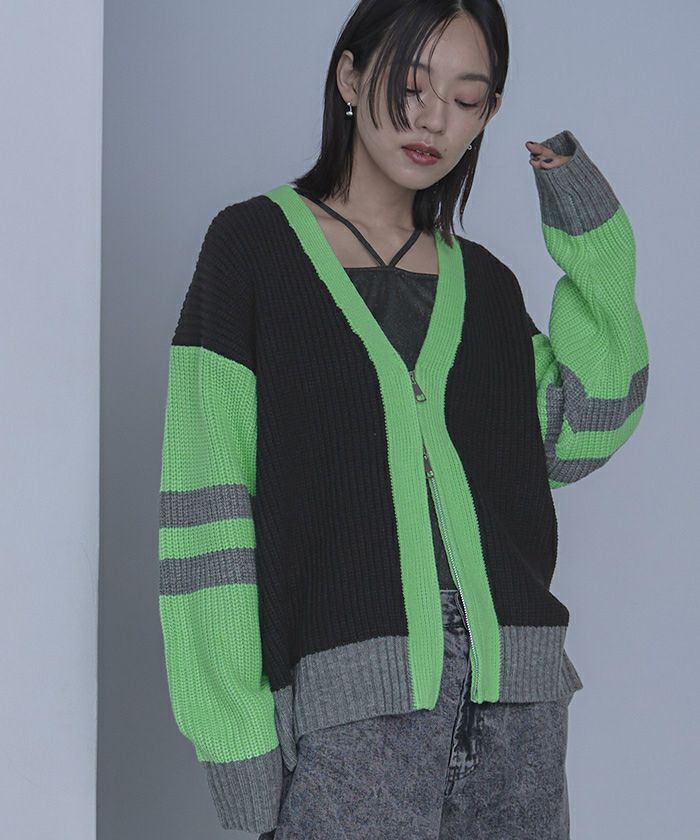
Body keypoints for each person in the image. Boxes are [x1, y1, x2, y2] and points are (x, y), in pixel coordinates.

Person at [157, 1, 649, 838]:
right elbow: (208, 513)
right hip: (353, 729)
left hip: (520, 721)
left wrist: (586, 224)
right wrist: (239, 752)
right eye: (413, 85)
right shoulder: (252, 250)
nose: (433, 119)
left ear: (487, 115)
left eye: (467, 98)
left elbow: (586, 424)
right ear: (350, 77)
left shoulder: (486, 286)